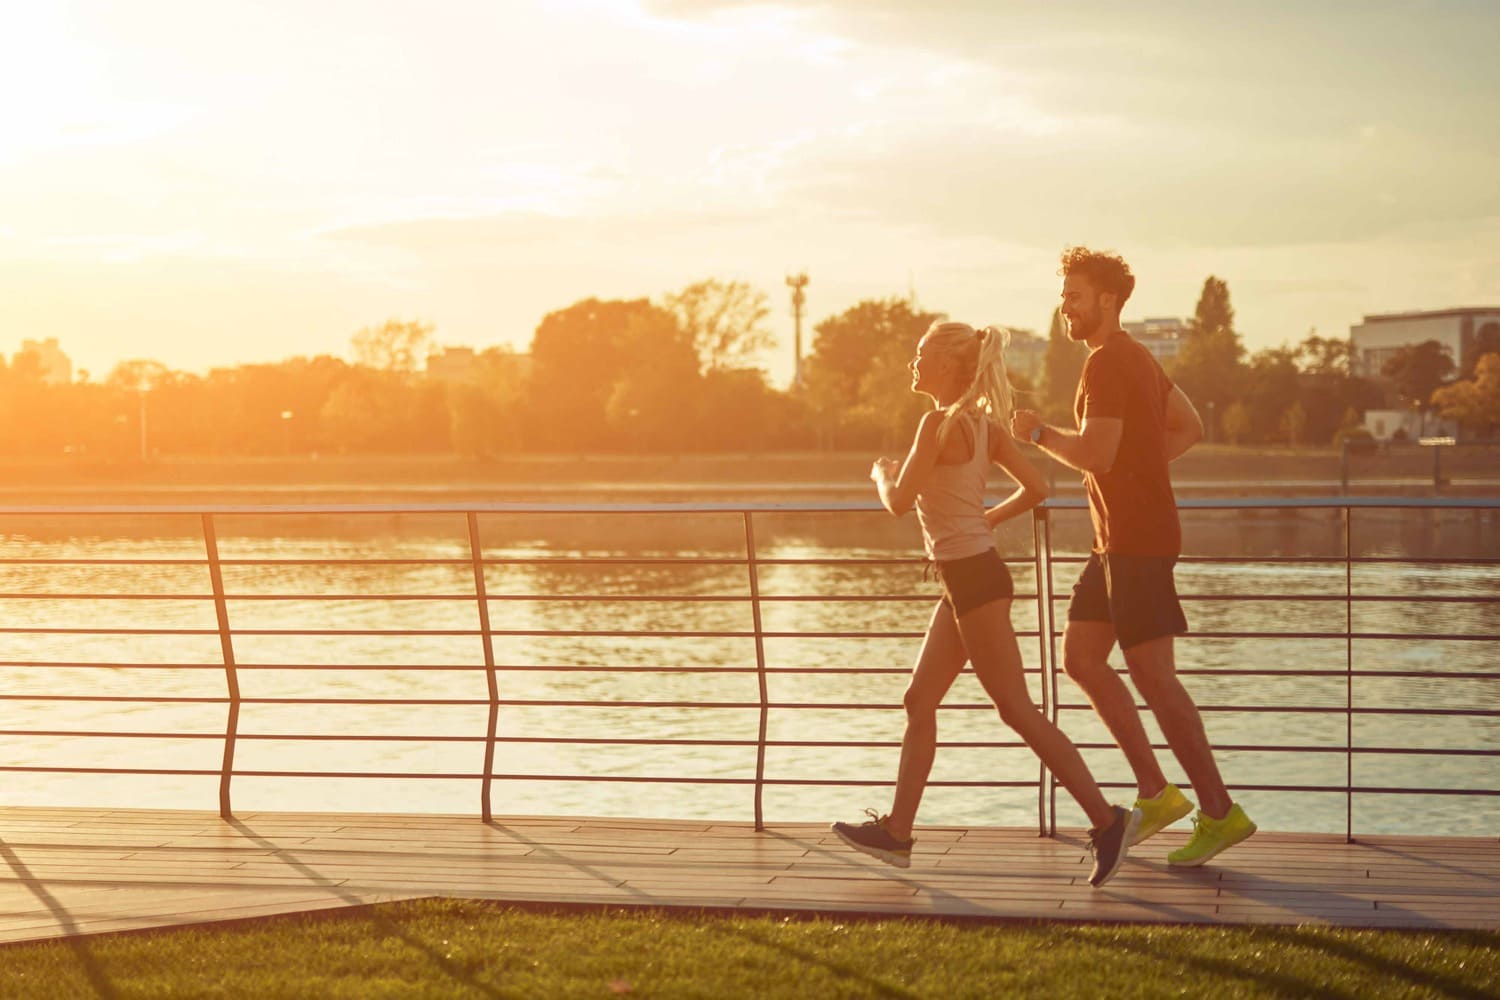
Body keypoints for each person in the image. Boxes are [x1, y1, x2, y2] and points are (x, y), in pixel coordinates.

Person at [831, 321, 1140, 888]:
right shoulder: (984, 425)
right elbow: (1039, 489)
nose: (914, 364)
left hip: (973, 581)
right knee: (919, 699)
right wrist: (983, 522)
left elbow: (900, 503)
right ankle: (898, 833)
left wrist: (881, 474)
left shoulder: (935, 425)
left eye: (922, 355)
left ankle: (1108, 821)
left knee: (1017, 710)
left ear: (949, 365)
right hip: (969, 577)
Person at [1010, 247, 1256, 867]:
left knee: (1154, 678)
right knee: (1083, 658)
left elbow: (1095, 454)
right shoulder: (1138, 360)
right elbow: (1189, 426)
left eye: (1075, 295)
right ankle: (1156, 793)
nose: (1066, 305)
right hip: (1114, 539)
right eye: (1064, 294)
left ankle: (1221, 814)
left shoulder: (1109, 364)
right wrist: (1140, 466)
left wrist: (1037, 434)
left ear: (1108, 301)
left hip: (1137, 541)